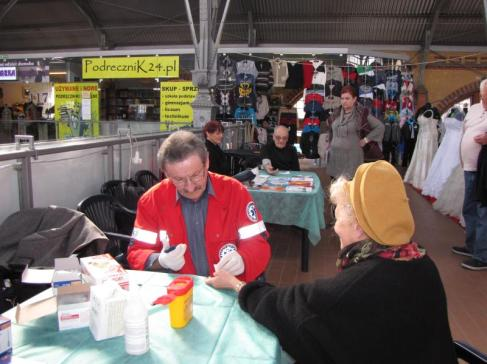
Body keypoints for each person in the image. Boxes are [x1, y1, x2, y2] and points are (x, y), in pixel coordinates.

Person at [207, 160, 457, 364]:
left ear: (359, 227)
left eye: (337, 220)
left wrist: (237, 285)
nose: (335, 229)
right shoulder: (421, 261)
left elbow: (286, 307)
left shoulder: (355, 287)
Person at [127, 130, 271, 282]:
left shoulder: (235, 192)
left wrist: (244, 258)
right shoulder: (151, 201)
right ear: (165, 174)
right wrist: (158, 260)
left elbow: (260, 244)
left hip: (229, 288)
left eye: (196, 175)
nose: (189, 187)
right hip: (179, 293)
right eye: (179, 179)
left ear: (207, 162)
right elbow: (136, 252)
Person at [452, 79, 487, 270]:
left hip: (483, 169)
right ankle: (472, 245)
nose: (485, 99)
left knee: (483, 211)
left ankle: (482, 255)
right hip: (469, 166)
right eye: (484, 95)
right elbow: (465, 131)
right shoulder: (474, 109)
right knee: (469, 207)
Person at [325, 85, 384, 179]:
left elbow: (380, 127)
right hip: (335, 157)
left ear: (354, 99)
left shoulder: (361, 114)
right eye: (342, 98)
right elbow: (329, 129)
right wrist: (328, 144)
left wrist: (366, 140)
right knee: (335, 187)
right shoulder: (335, 113)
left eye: (347, 98)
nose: (344, 101)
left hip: (352, 158)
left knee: (350, 187)